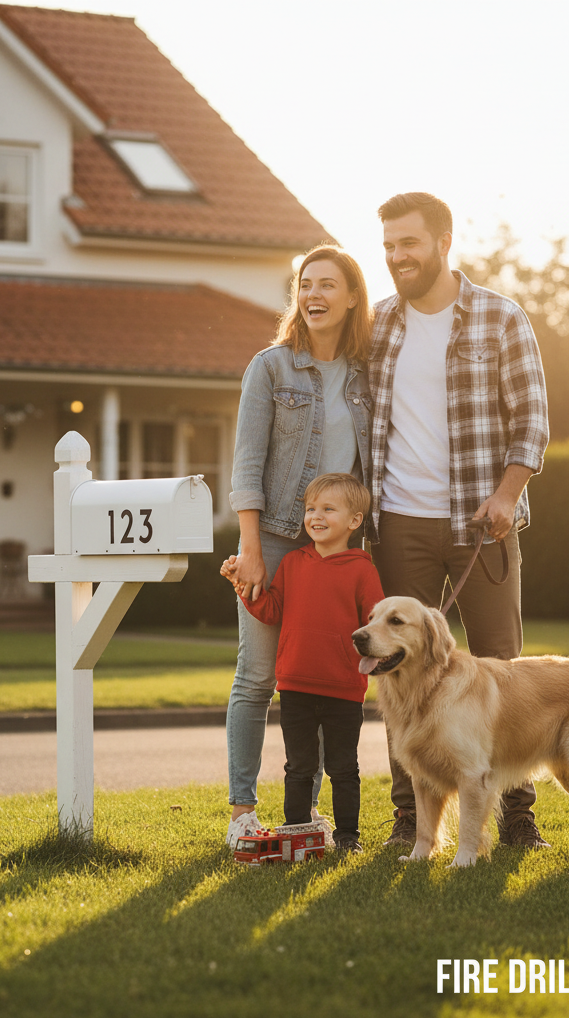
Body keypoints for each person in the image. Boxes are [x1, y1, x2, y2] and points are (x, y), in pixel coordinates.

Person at [367, 192, 551, 850]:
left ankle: (518, 818)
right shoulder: (379, 323)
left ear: (444, 242)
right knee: (398, 674)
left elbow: (531, 420)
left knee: (503, 666)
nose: (396, 257)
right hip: (400, 523)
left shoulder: (500, 318)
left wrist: (507, 494)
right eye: (388, 245)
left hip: (483, 524)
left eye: (408, 244)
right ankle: (410, 824)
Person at [224, 245, 374, 848]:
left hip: (340, 554)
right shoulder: (271, 367)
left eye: (327, 285)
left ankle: (305, 817)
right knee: (258, 677)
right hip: (280, 542)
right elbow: (248, 463)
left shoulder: (369, 374)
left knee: (317, 683)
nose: (313, 295)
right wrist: (252, 546)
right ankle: (241, 813)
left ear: (352, 297)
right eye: (305, 285)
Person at [222, 473, 384, 852]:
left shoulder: (363, 570)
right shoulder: (294, 563)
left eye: (328, 509)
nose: (316, 516)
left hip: (344, 689)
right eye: (311, 508)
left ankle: (347, 837)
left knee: (344, 769)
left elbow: (375, 624)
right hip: (295, 686)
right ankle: (297, 835)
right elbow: (272, 609)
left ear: (354, 521)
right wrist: (244, 589)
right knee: (298, 767)